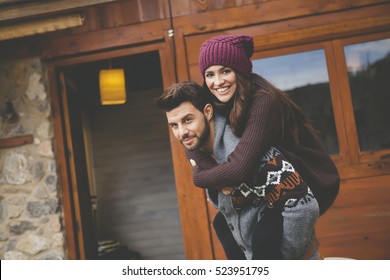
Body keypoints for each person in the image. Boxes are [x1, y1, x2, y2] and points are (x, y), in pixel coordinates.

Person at [183, 34, 340, 259]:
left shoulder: (264, 100)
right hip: (264, 188)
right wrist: (212, 171)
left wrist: (200, 176)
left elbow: (239, 169)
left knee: (265, 241)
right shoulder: (214, 97)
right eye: (210, 74)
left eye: (225, 71)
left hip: (303, 180)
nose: (217, 81)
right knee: (223, 225)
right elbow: (189, 135)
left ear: (240, 71)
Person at [155, 81, 331, 260]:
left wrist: (283, 260)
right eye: (174, 125)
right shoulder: (201, 151)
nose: (182, 132)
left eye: (187, 120)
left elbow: (303, 206)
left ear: (207, 112)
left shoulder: (247, 151)